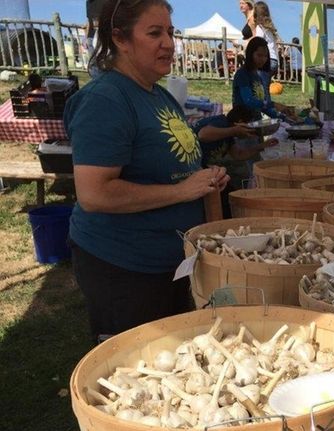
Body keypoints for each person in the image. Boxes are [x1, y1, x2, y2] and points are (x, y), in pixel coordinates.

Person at [65, 0, 230, 343]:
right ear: (120, 39)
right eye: (154, 33)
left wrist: (205, 177)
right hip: (124, 269)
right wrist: (183, 191)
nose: (168, 43)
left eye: (170, 32)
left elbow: (176, 167)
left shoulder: (160, 97)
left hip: (168, 265)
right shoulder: (105, 99)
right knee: (135, 368)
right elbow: (95, 193)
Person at [193, 105, 276, 218]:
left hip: (207, 169)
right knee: (223, 198)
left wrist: (262, 146)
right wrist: (233, 131)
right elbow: (203, 135)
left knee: (228, 194)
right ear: (240, 122)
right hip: (194, 168)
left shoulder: (229, 135)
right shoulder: (221, 122)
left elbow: (238, 155)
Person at [232, 37, 292, 121]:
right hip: (242, 124)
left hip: (256, 122)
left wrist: (283, 118)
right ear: (250, 54)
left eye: (265, 56)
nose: (263, 59)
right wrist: (273, 104)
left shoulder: (258, 76)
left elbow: (263, 106)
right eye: (259, 55)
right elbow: (249, 102)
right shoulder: (242, 74)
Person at [253, 1, 280, 79]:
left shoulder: (260, 27)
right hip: (274, 61)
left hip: (266, 61)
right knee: (264, 85)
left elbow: (258, 43)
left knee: (260, 86)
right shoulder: (270, 29)